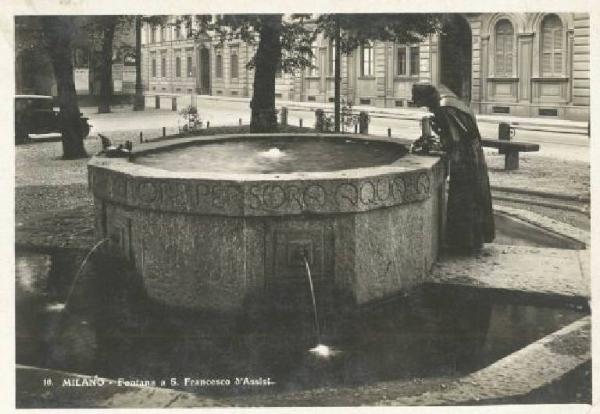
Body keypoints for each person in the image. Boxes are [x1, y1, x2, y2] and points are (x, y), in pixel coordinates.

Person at [412, 82, 495, 254]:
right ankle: (471, 241)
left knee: (463, 198)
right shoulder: (449, 100)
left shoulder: (445, 108)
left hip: (466, 158)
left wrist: (436, 146)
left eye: (425, 104)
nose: (427, 108)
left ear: (429, 98)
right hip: (472, 154)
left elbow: (455, 140)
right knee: (473, 196)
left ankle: (464, 245)